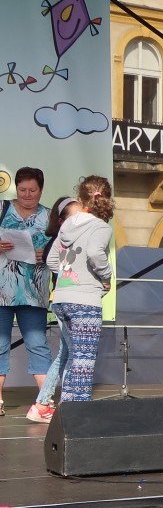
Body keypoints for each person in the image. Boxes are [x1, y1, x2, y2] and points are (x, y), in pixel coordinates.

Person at [44, 175, 113, 404]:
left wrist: (68, 275)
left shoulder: (67, 224)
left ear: (80, 198)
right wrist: (106, 276)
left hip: (61, 298)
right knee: (84, 361)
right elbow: (94, 253)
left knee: (74, 358)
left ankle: (66, 412)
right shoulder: (100, 227)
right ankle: (80, 416)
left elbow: (51, 260)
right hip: (85, 301)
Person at [0, 166, 52, 416]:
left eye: (33, 190)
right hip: (1, 292)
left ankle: (45, 401)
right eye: (22, 190)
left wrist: (48, 254)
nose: (27, 195)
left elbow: (65, 250)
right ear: (16, 188)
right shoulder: (1, 208)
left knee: (37, 344)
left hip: (34, 293)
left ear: (41, 190)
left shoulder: (51, 217)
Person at [25, 196, 79, 423]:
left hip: (66, 298)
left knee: (66, 353)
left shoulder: (66, 239)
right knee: (71, 353)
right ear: (61, 220)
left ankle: (43, 403)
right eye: (75, 216)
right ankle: (55, 404)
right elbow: (55, 264)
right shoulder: (61, 240)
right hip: (67, 300)